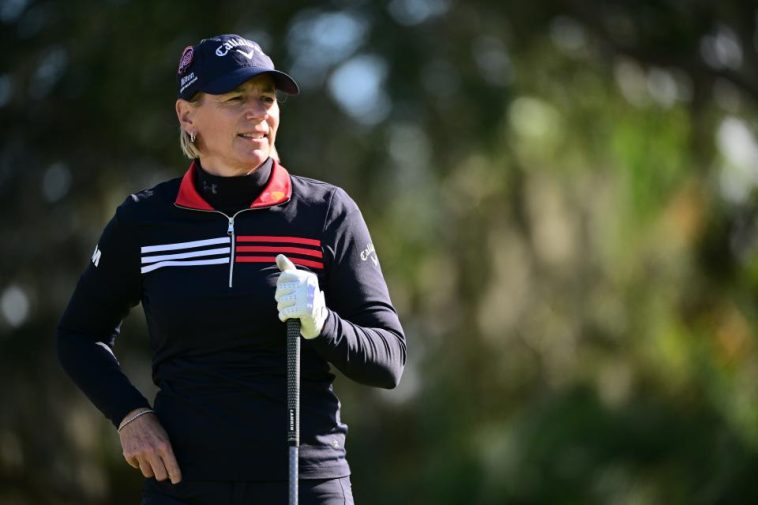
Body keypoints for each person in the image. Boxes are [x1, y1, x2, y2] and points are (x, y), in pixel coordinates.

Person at [56, 33, 407, 505]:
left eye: (266, 98)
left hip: (303, 482)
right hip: (183, 486)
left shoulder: (325, 212)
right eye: (235, 99)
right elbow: (78, 335)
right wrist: (130, 415)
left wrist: (322, 323)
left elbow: (389, 359)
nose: (257, 112)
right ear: (187, 116)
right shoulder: (145, 220)